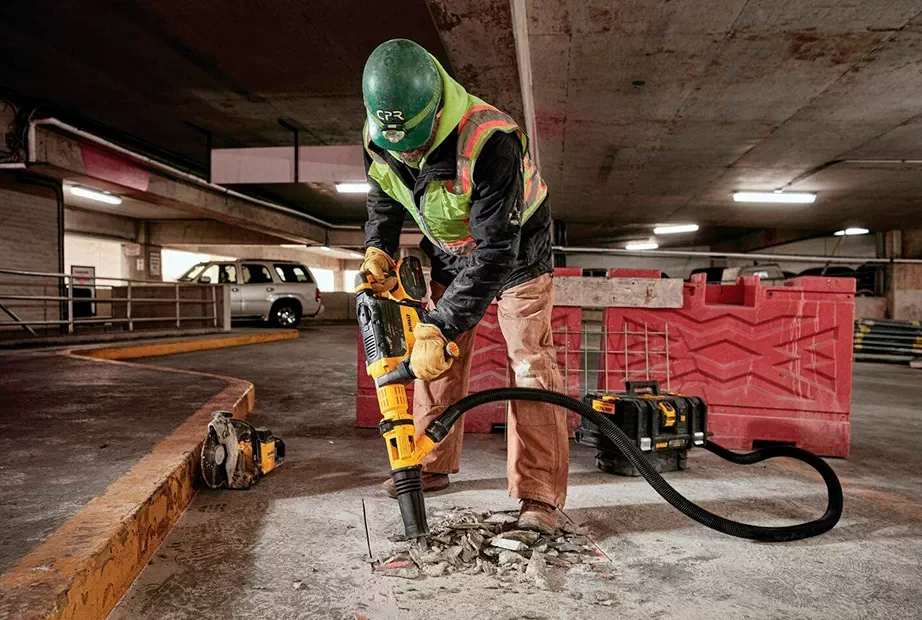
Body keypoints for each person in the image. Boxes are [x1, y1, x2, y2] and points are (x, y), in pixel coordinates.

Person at [360, 39, 567, 534]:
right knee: (433, 360)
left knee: (529, 365)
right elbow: (385, 198)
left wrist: (443, 322)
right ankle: (427, 462)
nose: (406, 151)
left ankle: (539, 495)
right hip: (451, 249)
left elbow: (497, 250)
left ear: (434, 113)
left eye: (414, 140)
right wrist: (378, 250)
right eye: (397, 143)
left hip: (516, 248)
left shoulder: (489, 138)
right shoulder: (381, 133)